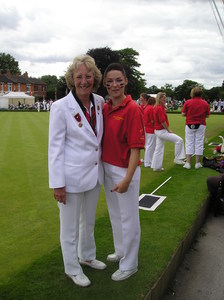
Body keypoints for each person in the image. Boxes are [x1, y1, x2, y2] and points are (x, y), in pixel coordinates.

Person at [48, 54, 106, 288]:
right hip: (70, 179)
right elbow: (55, 148)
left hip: (94, 176)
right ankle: (72, 268)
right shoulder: (61, 107)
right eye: (79, 76)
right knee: (69, 228)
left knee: (88, 222)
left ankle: (87, 256)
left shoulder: (100, 102)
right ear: (72, 79)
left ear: (95, 78)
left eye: (88, 76)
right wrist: (58, 183)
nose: (84, 81)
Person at [102, 63, 145, 281]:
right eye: (109, 81)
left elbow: (136, 148)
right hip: (107, 168)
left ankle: (130, 264)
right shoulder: (106, 107)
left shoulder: (133, 109)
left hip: (125, 170)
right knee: (115, 215)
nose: (114, 85)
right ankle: (120, 251)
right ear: (105, 84)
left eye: (119, 80)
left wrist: (127, 179)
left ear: (126, 81)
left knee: (129, 218)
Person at [151, 92, 185, 171]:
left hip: (158, 130)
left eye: (165, 99)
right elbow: (162, 121)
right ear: (159, 99)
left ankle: (156, 167)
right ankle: (178, 159)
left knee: (158, 148)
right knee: (179, 140)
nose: (165, 100)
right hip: (161, 131)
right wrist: (168, 130)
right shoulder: (159, 108)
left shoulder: (157, 107)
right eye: (163, 99)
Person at [182, 86, 210, 169]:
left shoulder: (188, 102)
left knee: (189, 143)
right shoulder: (205, 103)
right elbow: (207, 115)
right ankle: (197, 163)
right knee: (199, 143)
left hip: (189, 124)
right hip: (201, 124)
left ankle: (188, 163)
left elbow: (183, 114)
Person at [143, 96, 156, 167]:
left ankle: (147, 161)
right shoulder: (150, 108)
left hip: (147, 128)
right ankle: (148, 162)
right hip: (150, 129)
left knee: (148, 145)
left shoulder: (146, 107)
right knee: (150, 146)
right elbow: (152, 120)